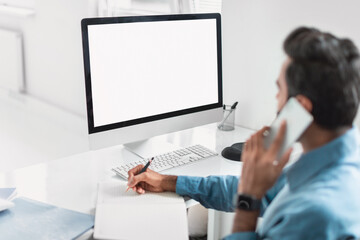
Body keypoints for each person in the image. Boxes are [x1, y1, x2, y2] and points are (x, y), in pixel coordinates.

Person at [127, 27, 360, 239]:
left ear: (302, 107)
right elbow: (266, 193)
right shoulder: (335, 163)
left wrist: (249, 198)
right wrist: (168, 182)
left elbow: (254, 195)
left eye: (279, 90)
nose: (276, 99)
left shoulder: (315, 214)